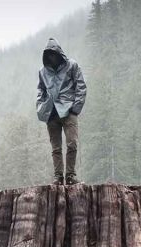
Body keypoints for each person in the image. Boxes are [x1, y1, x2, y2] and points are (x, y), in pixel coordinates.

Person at [36, 38, 87, 185]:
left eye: (53, 53)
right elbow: (40, 90)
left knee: (72, 144)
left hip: (69, 111)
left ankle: (70, 176)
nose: (51, 56)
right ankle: (58, 177)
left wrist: (75, 108)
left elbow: (81, 86)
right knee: (56, 148)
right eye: (49, 54)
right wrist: (41, 107)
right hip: (51, 113)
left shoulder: (72, 65)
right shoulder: (42, 71)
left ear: (59, 52)